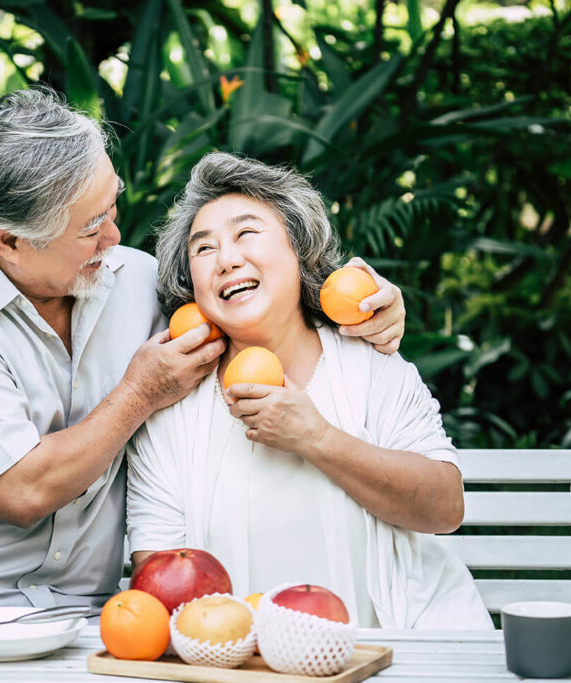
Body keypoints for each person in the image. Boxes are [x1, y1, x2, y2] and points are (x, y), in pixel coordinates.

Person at [0, 89, 407, 623]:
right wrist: (139, 393)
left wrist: (364, 301)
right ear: (7, 240)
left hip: (84, 626)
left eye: (112, 208)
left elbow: (252, 294)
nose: (114, 237)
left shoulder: (132, 278)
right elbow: (22, 490)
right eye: (91, 228)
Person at [126, 151, 492, 629]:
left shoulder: (372, 366)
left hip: (399, 656)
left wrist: (316, 438)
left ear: (299, 249)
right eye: (204, 249)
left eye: (247, 233)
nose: (228, 259)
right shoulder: (172, 412)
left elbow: (445, 507)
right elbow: (160, 579)